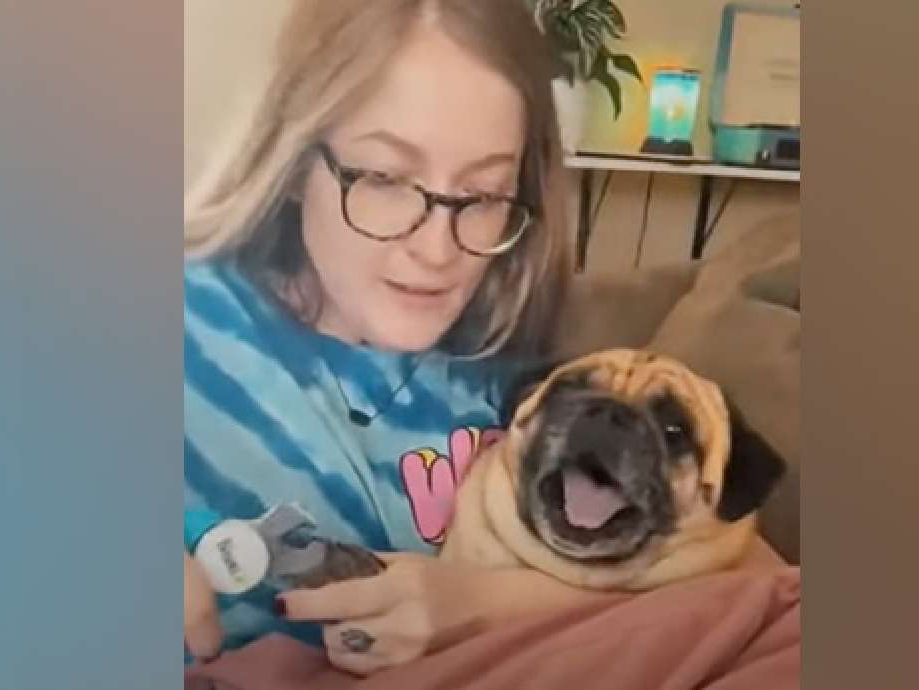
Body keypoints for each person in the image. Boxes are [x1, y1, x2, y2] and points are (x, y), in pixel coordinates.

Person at [183, 0, 617, 676]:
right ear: (294, 163)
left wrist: (482, 604)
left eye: (484, 195)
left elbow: (748, 577)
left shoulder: (523, 392)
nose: (437, 249)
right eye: (384, 179)